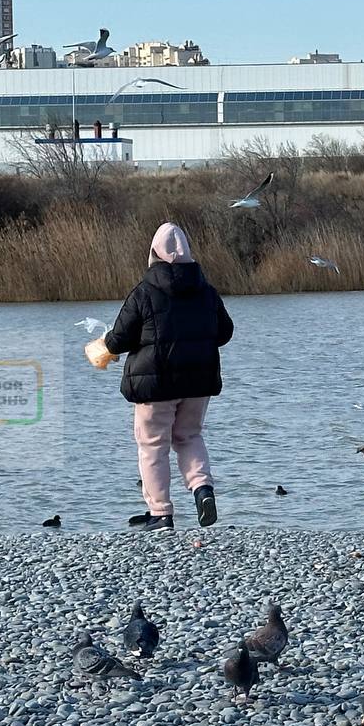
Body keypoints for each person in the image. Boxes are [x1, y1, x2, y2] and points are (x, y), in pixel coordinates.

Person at [104, 222, 233, 531]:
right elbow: (225, 333)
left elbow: (118, 340)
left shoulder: (144, 292)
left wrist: (104, 346)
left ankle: (161, 513)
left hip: (155, 385)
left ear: (153, 253)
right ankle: (202, 489)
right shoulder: (206, 292)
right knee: (189, 436)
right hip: (198, 384)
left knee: (153, 446)